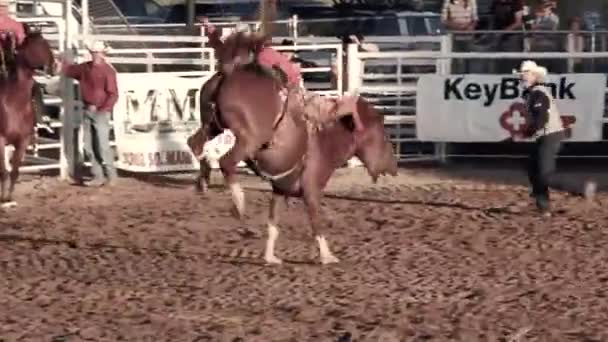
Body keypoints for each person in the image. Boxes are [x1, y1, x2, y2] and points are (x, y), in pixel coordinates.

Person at [187, 20, 364, 158]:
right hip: (283, 90)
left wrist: (210, 29)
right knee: (306, 113)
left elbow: (220, 46)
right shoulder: (262, 54)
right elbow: (285, 75)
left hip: (278, 89)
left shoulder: (256, 55)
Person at [513, 60, 596, 215]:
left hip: (549, 135)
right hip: (547, 134)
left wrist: (529, 131)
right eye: (522, 75)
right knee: (533, 168)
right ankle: (542, 204)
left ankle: (579, 187)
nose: (522, 78)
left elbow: (541, 118)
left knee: (544, 174)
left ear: (534, 76)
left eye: (525, 74)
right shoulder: (536, 92)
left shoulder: (537, 93)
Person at [60, 40, 118, 187]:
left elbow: (113, 94)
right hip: (90, 109)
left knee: (102, 145)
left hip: (99, 111)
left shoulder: (107, 72)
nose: (95, 55)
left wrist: (102, 108)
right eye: (93, 52)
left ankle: (110, 175)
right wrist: (60, 62)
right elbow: (68, 70)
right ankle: (99, 175)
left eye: (97, 52)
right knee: (89, 146)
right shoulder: (85, 68)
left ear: (103, 54)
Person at [0, 0, 51, 132]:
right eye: (0, 6)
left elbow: (22, 44)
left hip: (11, 62)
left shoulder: (15, 25)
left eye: (3, 7)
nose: (1, 9)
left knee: (33, 85)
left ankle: (40, 117)